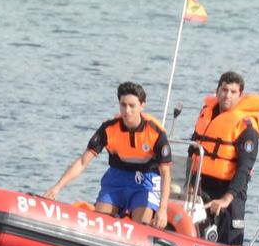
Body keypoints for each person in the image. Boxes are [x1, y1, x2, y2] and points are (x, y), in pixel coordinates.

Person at [45, 81, 172, 226]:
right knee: (100, 223)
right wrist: (57, 187)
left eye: (132, 106)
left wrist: (163, 209)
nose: (127, 111)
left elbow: (165, 173)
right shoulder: (109, 128)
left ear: (142, 105)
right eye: (123, 105)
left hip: (144, 183)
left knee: (141, 226)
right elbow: (82, 162)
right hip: (116, 179)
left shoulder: (155, 132)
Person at [186, 71, 259, 246]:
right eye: (224, 90)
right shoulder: (206, 115)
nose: (227, 95)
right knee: (197, 233)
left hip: (230, 190)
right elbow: (192, 150)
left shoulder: (246, 126)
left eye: (233, 92)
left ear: (241, 96)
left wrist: (226, 199)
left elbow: (244, 168)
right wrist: (188, 182)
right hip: (203, 186)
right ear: (217, 91)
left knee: (229, 238)